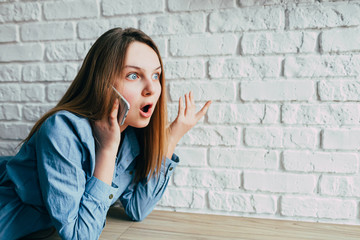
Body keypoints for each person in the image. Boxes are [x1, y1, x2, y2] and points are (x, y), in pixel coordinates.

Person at [0, 28, 212, 240]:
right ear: (103, 82)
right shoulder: (62, 129)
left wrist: (172, 138)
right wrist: (107, 150)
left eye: (156, 75)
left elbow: (138, 208)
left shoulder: (131, 135)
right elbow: (79, 236)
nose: (151, 89)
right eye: (133, 75)